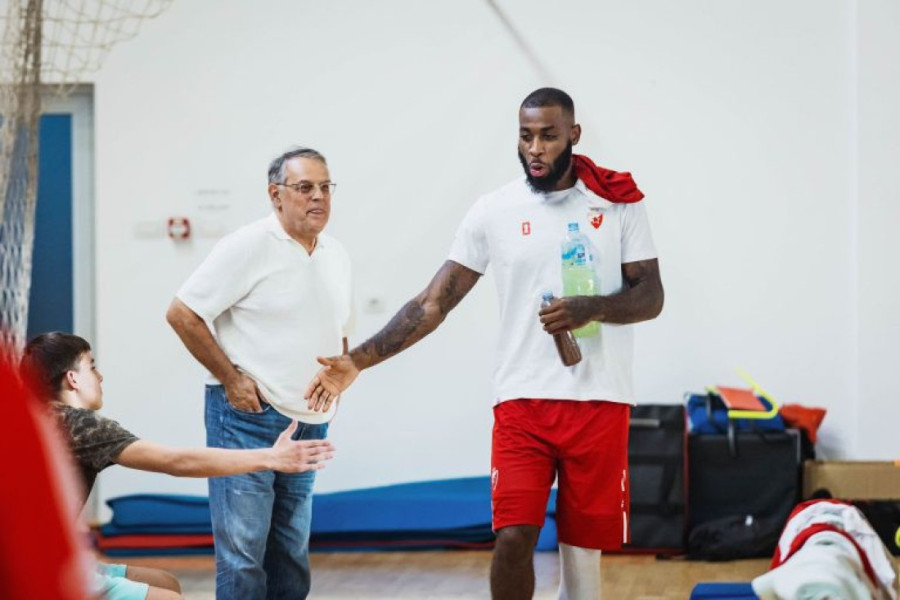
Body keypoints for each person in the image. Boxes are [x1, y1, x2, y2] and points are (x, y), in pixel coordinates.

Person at [305, 88, 664, 600]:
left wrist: (592, 307)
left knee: (583, 553)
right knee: (514, 535)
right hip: (522, 400)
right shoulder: (495, 210)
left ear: (574, 135)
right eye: (525, 136)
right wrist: (358, 361)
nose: (535, 148)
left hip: (599, 398)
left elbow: (650, 296)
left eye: (548, 136)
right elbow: (433, 302)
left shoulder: (617, 202)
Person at [166, 146, 354, 600]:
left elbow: (341, 335)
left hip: (309, 420)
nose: (318, 197)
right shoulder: (248, 245)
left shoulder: (336, 253)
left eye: (325, 187)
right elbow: (182, 313)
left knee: (290, 551)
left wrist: (343, 375)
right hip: (246, 418)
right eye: (305, 187)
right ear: (276, 195)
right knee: (244, 554)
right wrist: (232, 379)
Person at [20, 332, 334, 600]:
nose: (100, 376)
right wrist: (271, 458)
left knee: (164, 583)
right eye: (92, 366)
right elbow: (176, 461)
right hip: (34, 571)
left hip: (47, 561)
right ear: (72, 378)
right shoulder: (80, 425)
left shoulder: (34, 417)